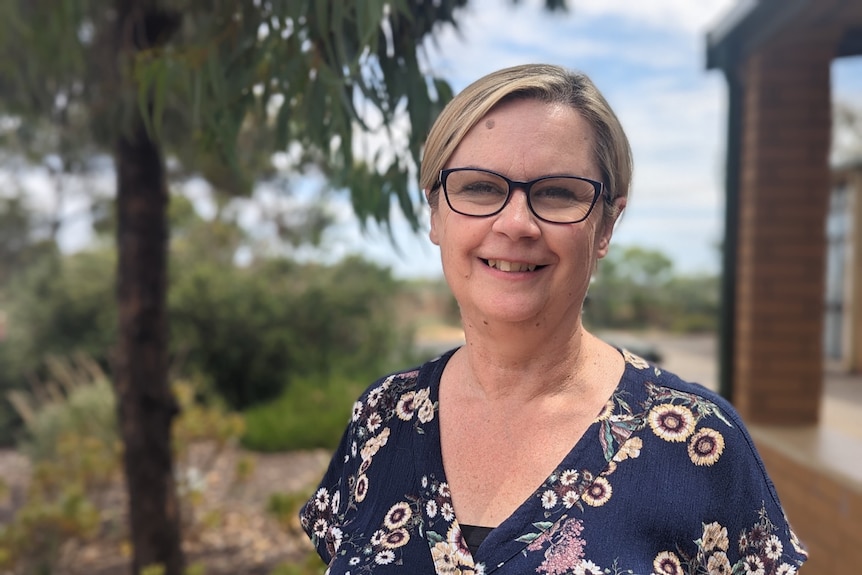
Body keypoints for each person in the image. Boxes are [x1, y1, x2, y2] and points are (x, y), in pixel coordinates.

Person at [300, 64, 808, 575]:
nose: (516, 223)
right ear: (436, 214)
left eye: (558, 192)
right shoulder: (382, 420)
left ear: (606, 225)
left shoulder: (699, 445)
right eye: (478, 187)